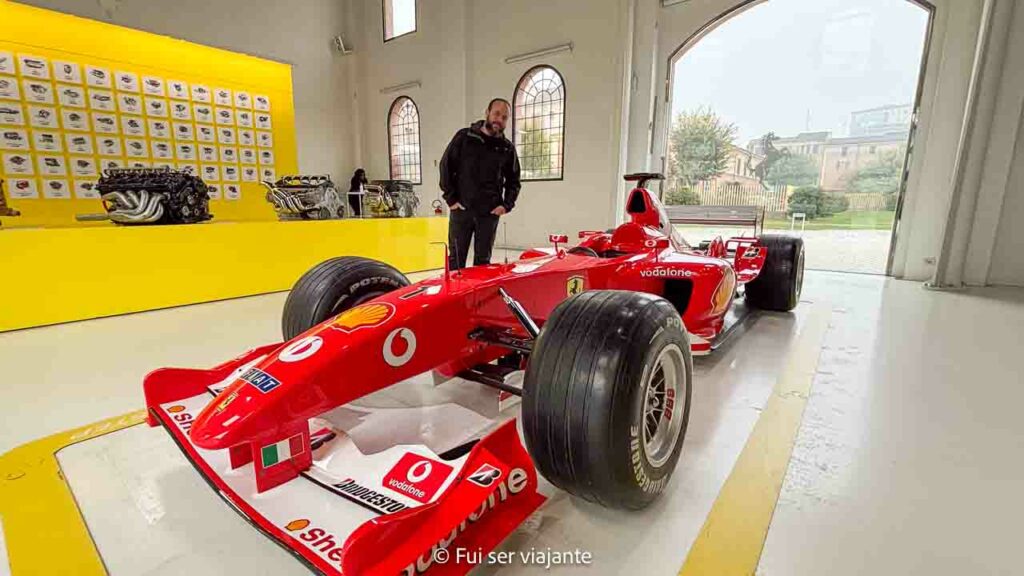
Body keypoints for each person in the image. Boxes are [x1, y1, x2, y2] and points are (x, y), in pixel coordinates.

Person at [439, 98, 521, 270]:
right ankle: (456, 296)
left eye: (504, 117)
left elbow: (514, 180)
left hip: (489, 215)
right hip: (462, 211)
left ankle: (478, 298)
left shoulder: (507, 148)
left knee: (483, 264)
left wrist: (506, 205)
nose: (499, 119)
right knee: (456, 260)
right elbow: (446, 165)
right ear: (487, 113)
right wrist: (451, 199)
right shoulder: (464, 137)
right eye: (496, 114)